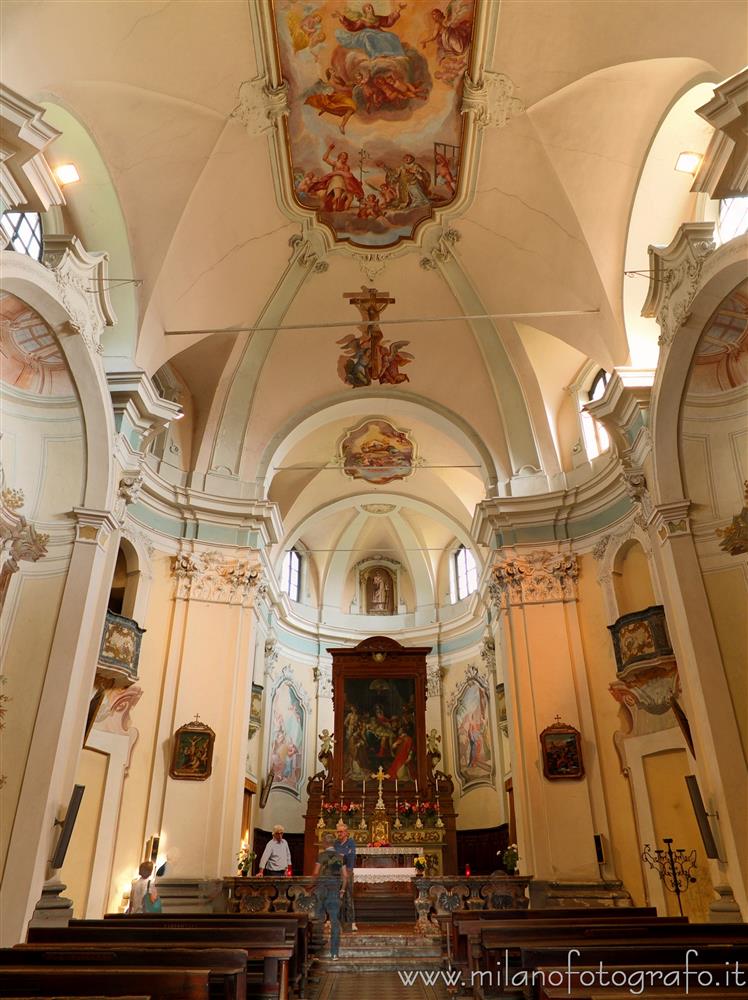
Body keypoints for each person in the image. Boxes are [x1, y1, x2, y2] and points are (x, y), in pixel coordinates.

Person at [313, 832, 348, 960]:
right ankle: (334, 954)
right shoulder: (340, 857)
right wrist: (342, 890)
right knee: (334, 921)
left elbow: (316, 873)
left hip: (322, 889)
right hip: (334, 890)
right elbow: (345, 876)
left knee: (318, 920)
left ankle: (316, 954)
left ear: (325, 843)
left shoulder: (321, 856)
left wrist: (312, 886)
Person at [335, 822, 358, 932]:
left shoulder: (351, 843)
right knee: (337, 898)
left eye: (341, 831)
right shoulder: (336, 843)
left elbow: (350, 857)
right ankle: (338, 922)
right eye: (338, 831)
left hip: (348, 872)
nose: (339, 833)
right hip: (337, 874)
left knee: (348, 898)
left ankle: (352, 922)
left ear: (346, 833)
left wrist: (343, 854)